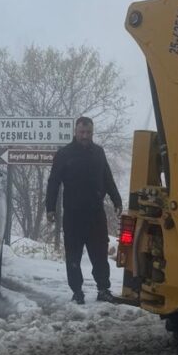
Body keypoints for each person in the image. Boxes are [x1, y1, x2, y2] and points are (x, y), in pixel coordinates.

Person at [45, 116, 123, 304]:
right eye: (82, 132)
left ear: (92, 132)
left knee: (100, 254)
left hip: (96, 214)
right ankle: (77, 291)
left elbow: (107, 178)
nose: (85, 136)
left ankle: (103, 289)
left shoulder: (98, 152)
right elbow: (53, 182)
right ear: (75, 131)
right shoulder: (64, 154)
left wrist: (117, 200)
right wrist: (50, 207)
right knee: (73, 255)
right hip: (73, 215)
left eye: (88, 132)